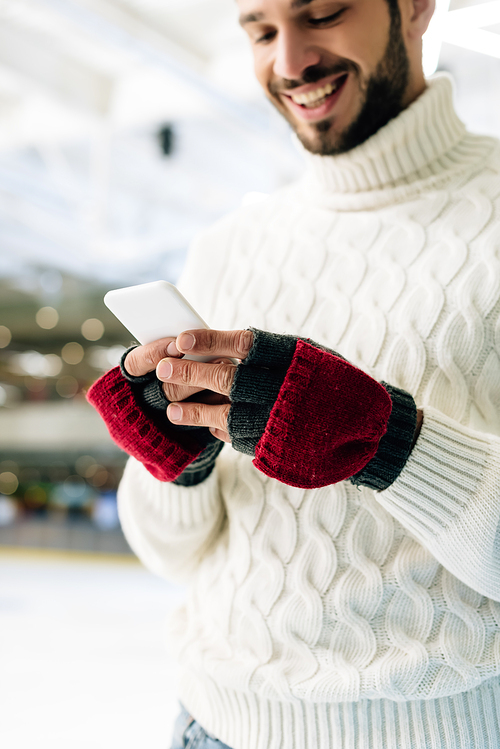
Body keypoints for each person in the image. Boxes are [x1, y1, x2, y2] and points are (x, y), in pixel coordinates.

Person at [87, 0, 500, 746]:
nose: (291, 62)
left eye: (323, 13)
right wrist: (174, 464)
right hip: (212, 724)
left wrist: (386, 440)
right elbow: (173, 553)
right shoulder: (228, 246)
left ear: (415, 7)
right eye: (261, 30)